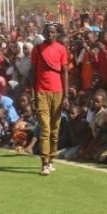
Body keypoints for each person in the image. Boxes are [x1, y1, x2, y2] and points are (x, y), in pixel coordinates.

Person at [32, 24, 69, 176]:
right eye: (47, 32)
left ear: (56, 34)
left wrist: (66, 95)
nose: (50, 35)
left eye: (52, 32)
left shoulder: (61, 49)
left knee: (55, 129)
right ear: (43, 33)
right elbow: (33, 73)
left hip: (58, 92)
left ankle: (52, 159)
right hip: (41, 92)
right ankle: (44, 163)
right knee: (45, 129)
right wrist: (33, 93)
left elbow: (65, 73)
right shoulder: (37, 49)